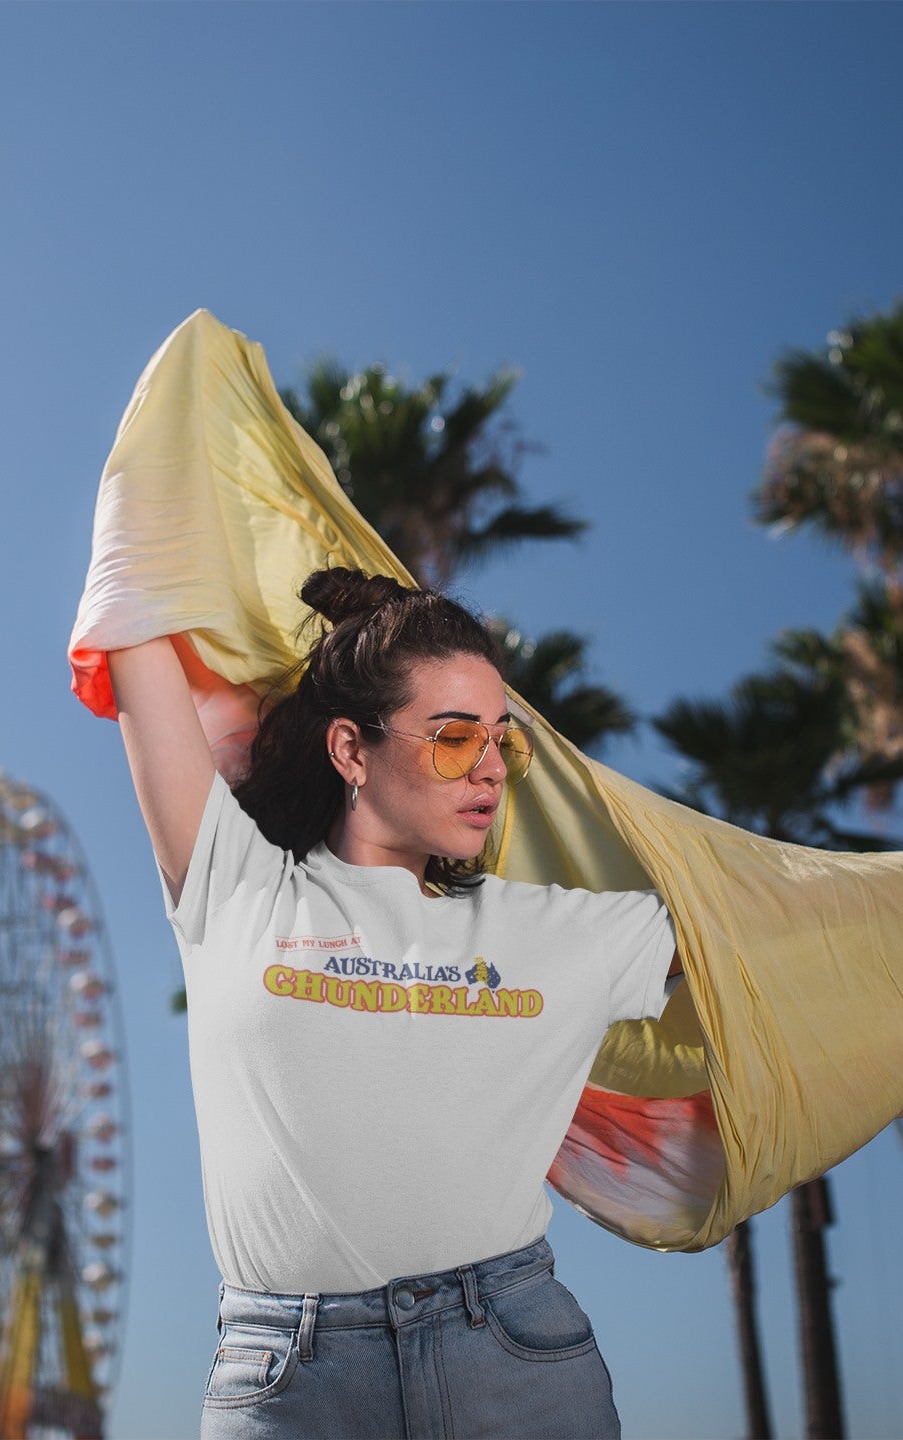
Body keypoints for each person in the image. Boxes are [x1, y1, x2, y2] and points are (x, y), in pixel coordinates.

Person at [105, 566, 681, 1440]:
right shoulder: (236, 888)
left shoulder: (559, 932)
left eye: (502, 741)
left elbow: (781, 938)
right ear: (351, 751)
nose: (491, 769)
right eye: (454, 738)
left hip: (517, 1360)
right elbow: (132, 617)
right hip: (292, 1383)